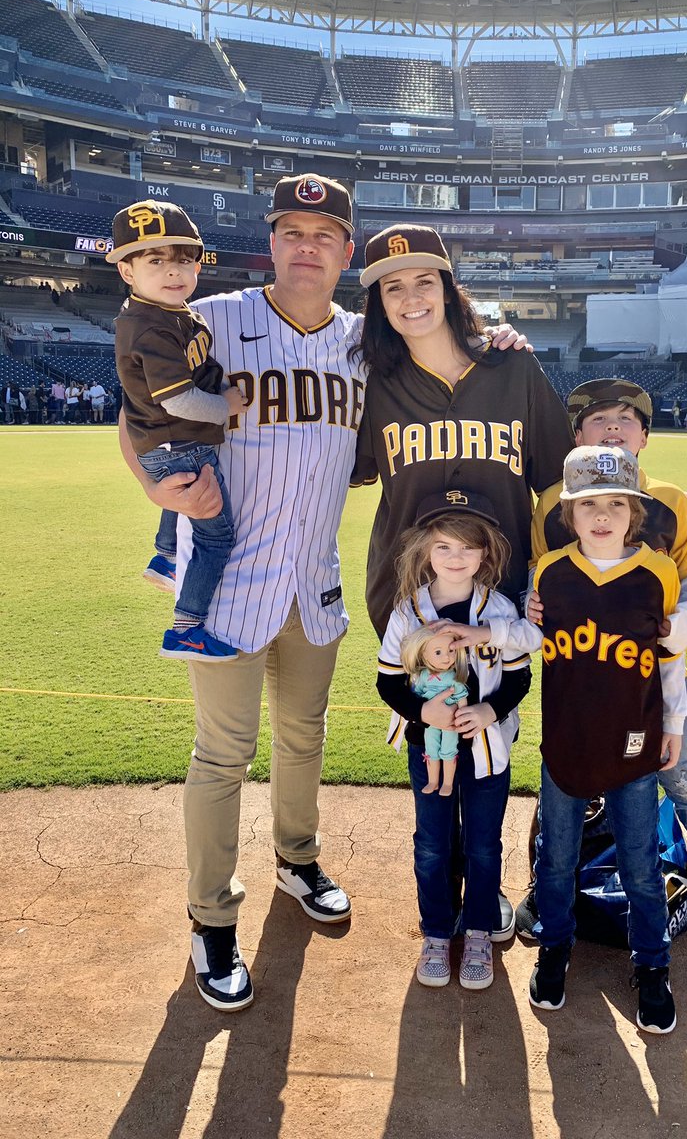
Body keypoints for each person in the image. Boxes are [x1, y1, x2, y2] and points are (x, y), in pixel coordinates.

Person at [116, 174, 531, 1012]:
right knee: (223, 756)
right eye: (292, 231)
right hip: (227, 580)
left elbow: (444, 367)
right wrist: (155, 490)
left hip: (313, 581)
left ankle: (297, 858)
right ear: (270, 242)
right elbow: (135, 413)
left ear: (347, 252)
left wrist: (498, 338)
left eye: (326, 234)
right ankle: (211, 922)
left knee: (303, 737)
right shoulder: (215, 317)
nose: (308, 246)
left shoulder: (360, 341)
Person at [444, 447, 686, 1031]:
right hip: (567, 742)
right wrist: (479, 632)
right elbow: (530, 634)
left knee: (640, 862)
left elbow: (670, 657)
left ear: (633, 512)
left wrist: (673, 726)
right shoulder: (550, 572)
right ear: (569, 515)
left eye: (614, 504)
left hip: (633, 742)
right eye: (587, 506)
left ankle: (652, 965)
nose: (601, 516)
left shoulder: (658, 571)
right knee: (555, 860)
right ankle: (556, 948)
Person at [518, 380, 687, 946]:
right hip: (577, 674)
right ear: (577, 437)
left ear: (645, 436)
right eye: (599, 420)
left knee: (685, 775)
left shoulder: (669, 502)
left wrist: (677, 631)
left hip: (649, 675)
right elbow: (537, 571)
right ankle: (554, 883)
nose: (614, 427)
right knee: (566, 776)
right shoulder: (552, 502)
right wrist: (532, 599)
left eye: (627, 419)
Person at [351, 223, 573, 638]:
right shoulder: (373, 382)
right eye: (393, 287)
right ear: (379, 303)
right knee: (420, 703)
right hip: (406, 591)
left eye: (424, 282)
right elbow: (337, 466)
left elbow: (560, 481)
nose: (412, 298)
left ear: (448, 289)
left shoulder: (513, 365)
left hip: (504, 591)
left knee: (497, 704)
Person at [376, 492, 532, 991]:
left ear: (485, 553)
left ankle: (481, 931)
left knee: (485, 844)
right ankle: (438, 932)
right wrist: (424, 710)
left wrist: (489, 709)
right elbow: (388, 680)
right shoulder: (409, 611)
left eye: (467, 547)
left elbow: (518, 677)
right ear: (426, 552)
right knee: (432, 844)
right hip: (430, 749)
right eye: (444, 547)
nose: (456, 557)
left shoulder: (499, 611)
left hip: (487, 748)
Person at [109, 200, 249, 662]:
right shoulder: (149, 326)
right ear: (127, 270)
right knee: (217, 538)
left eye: (183, 260)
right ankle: (186, 628)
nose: (174, 272)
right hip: (176, 441)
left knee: (183, 493)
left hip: (173, 444)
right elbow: (180, 400)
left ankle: (166, 553)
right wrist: (226, 406)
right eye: (155, 261)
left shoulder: (172, 312)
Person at [401, 627, 468, 796]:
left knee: (448, 750)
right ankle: (433, 781)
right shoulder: (423, 676)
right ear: (423, 654)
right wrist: (420, 711)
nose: (446, 657)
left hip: (450, 723)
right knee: (431, 749)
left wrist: (463, 717)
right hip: (429, 723)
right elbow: (415, 696)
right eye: (438, 652)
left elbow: (461, 698)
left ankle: (447, 783)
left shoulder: (454, 677)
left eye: (451, 651)